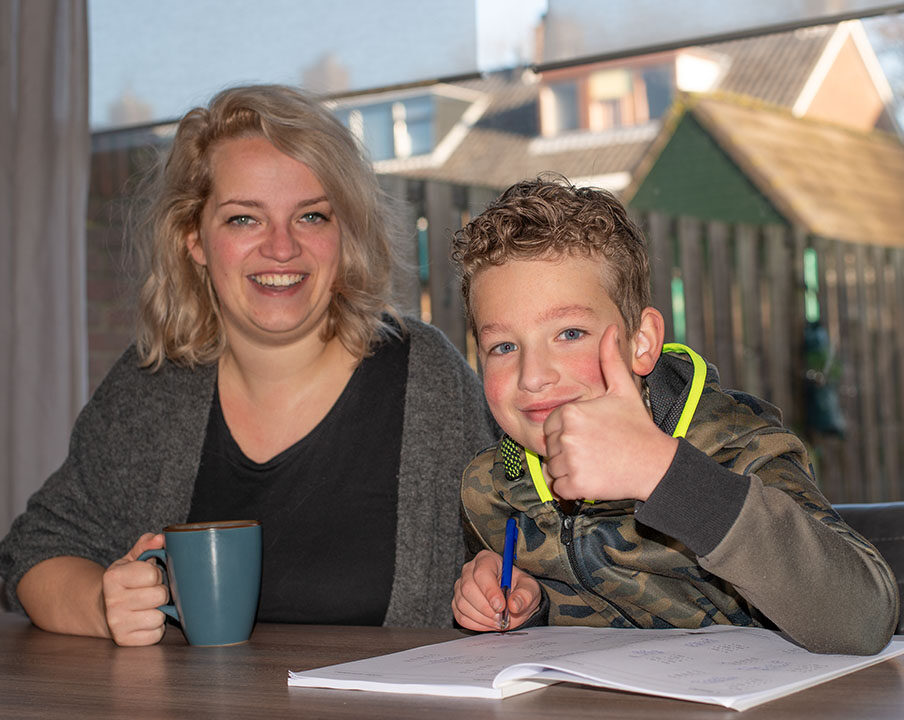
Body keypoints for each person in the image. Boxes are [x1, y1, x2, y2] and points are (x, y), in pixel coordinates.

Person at [0, 84, 498, 646]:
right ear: (194, 237)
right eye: (243, 220)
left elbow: (527, 539)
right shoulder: (152, 385)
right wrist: (102, 604)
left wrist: (509, 586)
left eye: (311, 216)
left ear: (345, 232)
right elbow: (34, 552)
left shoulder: (426, 376)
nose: (281, 248)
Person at [449, 176, 898, 655]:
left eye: (570, 334)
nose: (532, 375)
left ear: (640, 342)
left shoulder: (736, 446)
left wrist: (663, 474)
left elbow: (865, 619)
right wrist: (523, 606)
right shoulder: (492, 488)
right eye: (503, 346)